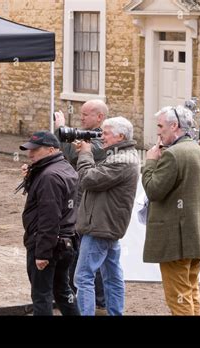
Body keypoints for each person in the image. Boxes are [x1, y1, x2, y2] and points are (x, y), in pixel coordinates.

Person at [142, 105, 200, 316]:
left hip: (175, 240)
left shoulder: (173, 155)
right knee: (190, 292)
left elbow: (153, 190)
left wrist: (149, 162)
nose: (158, 131)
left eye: (160, 126)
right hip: (197, 236)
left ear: (174, 126)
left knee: (178, 298)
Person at [73, 117, 140, 316]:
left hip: (100, 226)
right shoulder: (121, 155)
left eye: (105, 133)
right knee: (112, 275)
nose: (100, 137)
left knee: (83, 277)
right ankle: (115, 313)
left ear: (120, 136)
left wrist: (85, 154)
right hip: (107, 224)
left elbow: (87, 179)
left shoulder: (122, 159)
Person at [18, 131, 80, 316]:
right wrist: (30, 178)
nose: (30, 154)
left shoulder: (49, 176)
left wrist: (42, 253)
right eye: (29, 150)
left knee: (41, 295)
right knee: (63, 292)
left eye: (35, 150)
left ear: (51, 150)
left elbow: (49, 217)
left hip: (47, 243)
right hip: (66, 242)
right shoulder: (64, 168)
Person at [54, 99, 107, 313]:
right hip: (81, 201)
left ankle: (98, 301)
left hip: (89, 204)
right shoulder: (86, 136)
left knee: (88, 254)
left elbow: (71, 154)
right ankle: (80, 295)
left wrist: (60, 128)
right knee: (82, 252)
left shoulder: (103, 138)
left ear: (100, 117)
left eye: (86, 114)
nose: (82, 117)